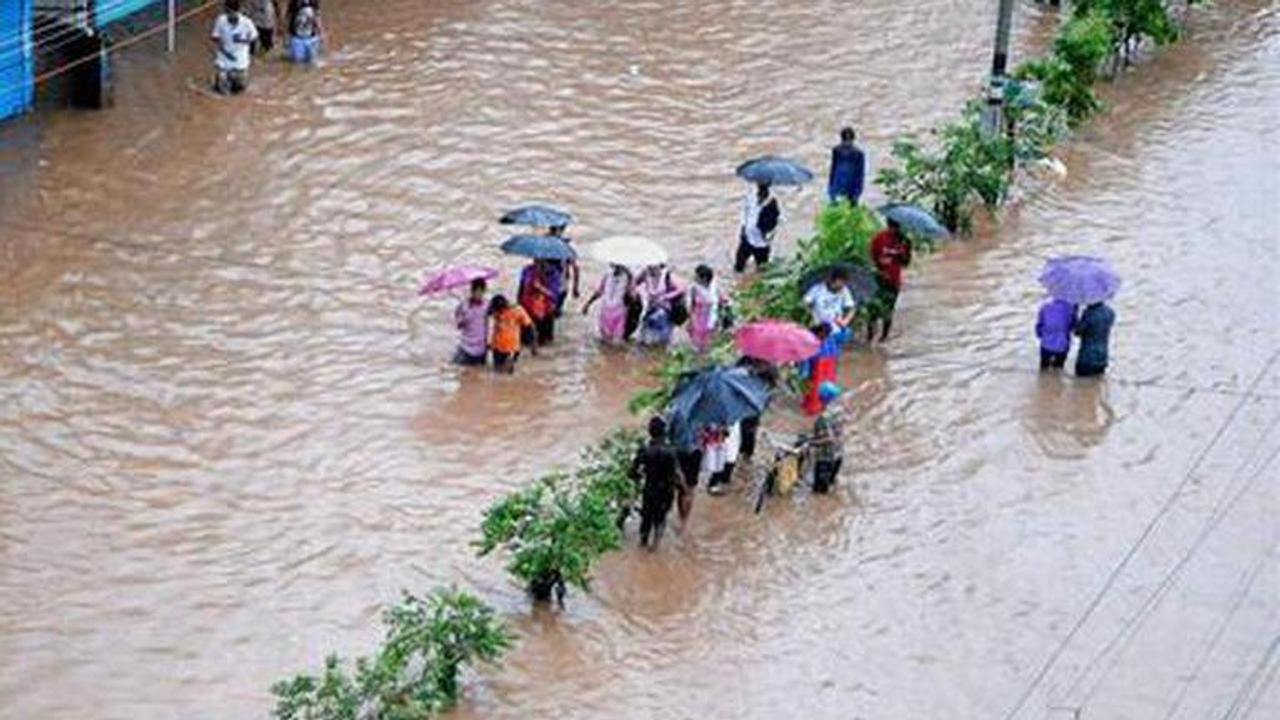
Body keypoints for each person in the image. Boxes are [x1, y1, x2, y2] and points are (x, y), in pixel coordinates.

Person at [629, 417, 680, 548]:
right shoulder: (671, 451)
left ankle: (643, 543)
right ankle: (655, 545)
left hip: (650, 488)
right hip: (666, 490)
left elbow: (632, 473)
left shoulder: (644, 450)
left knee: (646, 518)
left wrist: (640, 476)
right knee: (661, 518)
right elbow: (675, 475)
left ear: (649, 432)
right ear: (664, 432)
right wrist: (683, 488)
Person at [868, 219, 912, 343]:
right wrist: (880, 267)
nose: (895, 230)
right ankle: (870, 337)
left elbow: (906, 263)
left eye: (897, 228)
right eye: (893, 227)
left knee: (888, 311)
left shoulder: (905, 241)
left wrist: (901, 254)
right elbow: (873, 256)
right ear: (888, 226)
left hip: (893, 281)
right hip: (878, 280)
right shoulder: (879, 238)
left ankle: (884, 338)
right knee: (873, 311)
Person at [210, 0, 259, 95]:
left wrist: (242, 40)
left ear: (239, 11)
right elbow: (215, 38)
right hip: (223, 58)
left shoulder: (247, 23)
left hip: (240, 59)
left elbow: (254, 38)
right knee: (221, 88)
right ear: (225, 11)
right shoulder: (220, 20)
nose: (231, 17)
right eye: (229, 14)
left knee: (239, 89)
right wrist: (224, 51)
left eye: (233, 14)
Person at [804, 267, 858, 346]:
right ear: (836, 280)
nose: (843, 285)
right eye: (842, 282)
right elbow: (806, 302)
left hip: (835, 329)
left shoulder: (844, 290)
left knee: (833, 354)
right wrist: (812, 315)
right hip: (819, 329)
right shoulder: (818, 289)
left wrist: (845, 321)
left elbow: (852, 308)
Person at [582, 264, 634, 344]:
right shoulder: (607, 275)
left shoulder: (627, 277)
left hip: (618, 313)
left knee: (616, 341)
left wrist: (630, 279)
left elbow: (631, 296)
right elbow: (599, 291)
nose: (618, 267)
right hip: (606, 312)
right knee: (604, 340)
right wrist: (588, 304)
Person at [735, 182, 781, 273]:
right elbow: (744, 212)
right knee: (739, 265)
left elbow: (774, 223)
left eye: (762, 193)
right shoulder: (750, 197)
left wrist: (768, 235)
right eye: (759, 191)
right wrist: (743, 228)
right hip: (747, 238)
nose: (760, 195)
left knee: (762, 269)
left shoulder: (772, 204)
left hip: (761, 243)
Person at [810, 383, 846, 494]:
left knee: (819, 493)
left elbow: (828, 439)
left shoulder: (823, 418)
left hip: (825, 459)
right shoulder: (840, 411)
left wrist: (811, 442)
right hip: (838, 455)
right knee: (831, 484)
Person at [636, 264, 682, 347]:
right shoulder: (645, 273)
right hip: (651, 309)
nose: (650, 269)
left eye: (653, 267)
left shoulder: (667, 275)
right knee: (643, 340)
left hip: (664, 310)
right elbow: (634, 282)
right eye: (649, 266)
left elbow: (681, 289)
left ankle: (662, 349)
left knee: (662, 339)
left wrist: (666, 297)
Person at [488, 294, 536, 373]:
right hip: (497, 347)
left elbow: (530, 327)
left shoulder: (517, 310)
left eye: (500, 311)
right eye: (496, 311)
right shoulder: (494, 310)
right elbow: (488, 314)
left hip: (512, 348)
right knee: (497, 371)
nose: (499, 313)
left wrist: (533, 344)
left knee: (509, 372)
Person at [802, 324, 841, 416]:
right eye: (824, 335)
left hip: (824, 372)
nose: (825, 337)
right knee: (813, 395)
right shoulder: (810, 342)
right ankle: (813, 409)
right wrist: (805, 374)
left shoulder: (830, 342)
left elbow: (835, 358)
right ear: (819, 333)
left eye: (827, 335)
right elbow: (806, 362)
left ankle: (818, 408)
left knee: (818, 393)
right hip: (815, 372)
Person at [518, 260, 558, 346]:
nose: (538, 263)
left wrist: (540, 287)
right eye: (536, 260)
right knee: (525, 340)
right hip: (527, 308)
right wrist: (519, 303)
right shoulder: (527, 270)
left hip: (545, 311)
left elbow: (554, 295)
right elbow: (521, 287)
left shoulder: (553, 273)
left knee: (543, 341)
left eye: (541, 261)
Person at [687, 264, 724, 352]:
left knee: (709, 339)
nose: (694, 277)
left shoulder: (714, 286)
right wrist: (691, 319)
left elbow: (720, 298)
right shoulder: (693, 288)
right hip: (698, 317)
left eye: (697, 276)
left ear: (704, 279)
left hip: (712, 316)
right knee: (697, 341)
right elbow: (689, 306)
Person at [1074, 301, 1115, 377]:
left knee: (1080, 384)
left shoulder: (1089, 314)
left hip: (1087, 358)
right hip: (1103, 357)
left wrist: (1076, 315)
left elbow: (1077, 332)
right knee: (1097, 384)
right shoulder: (1110, 312)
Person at [827, 127, 867, 205]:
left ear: (852, 140)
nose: (847, 143)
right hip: (838, 183)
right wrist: (831, 186)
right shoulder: (837, 150)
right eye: (845, 140)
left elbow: (860, 173)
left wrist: (858, 191)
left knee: (851, 206)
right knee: (836, 205)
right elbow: (833, 168)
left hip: (852, 185)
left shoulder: (858, 153)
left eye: (849, 140)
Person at [453, 278, 489, 366]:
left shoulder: (487, 305)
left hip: (481, 350)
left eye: (481, 291)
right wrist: (464, 318)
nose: (478, 294)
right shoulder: (464, 306)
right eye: (476, 291)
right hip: (466, 349)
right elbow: (458, 325)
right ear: (472, 291)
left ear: (484, 292)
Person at [1035, 297, 1077, 371]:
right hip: (1062, 344)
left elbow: (1039, 326)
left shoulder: (1045, 306)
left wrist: (1041, 335)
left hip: (1046, 344)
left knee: (1043, 369)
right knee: (1058, 369)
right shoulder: (1070, 308)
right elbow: (1073, 327)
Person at [548, 225, 580, 316]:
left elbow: (575, 267)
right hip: (558, 283)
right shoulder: (566, 245)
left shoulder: (543, 244)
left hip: (556, 282)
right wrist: (575, 287)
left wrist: (575, 286)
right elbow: (575, 267)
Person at [704, 422, 741, 496]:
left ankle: (724, 480)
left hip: (732, 436)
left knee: (730, 458)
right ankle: (713, 484)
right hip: (724, 438)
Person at [286, 0, 323, 64]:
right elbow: (288, 19)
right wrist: (286, 37)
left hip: (311, 37)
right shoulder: (294, 2)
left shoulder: (314, 2)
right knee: (298, 63)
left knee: (312, 62)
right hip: (297, 38)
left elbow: (317, 18)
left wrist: (321, 33)